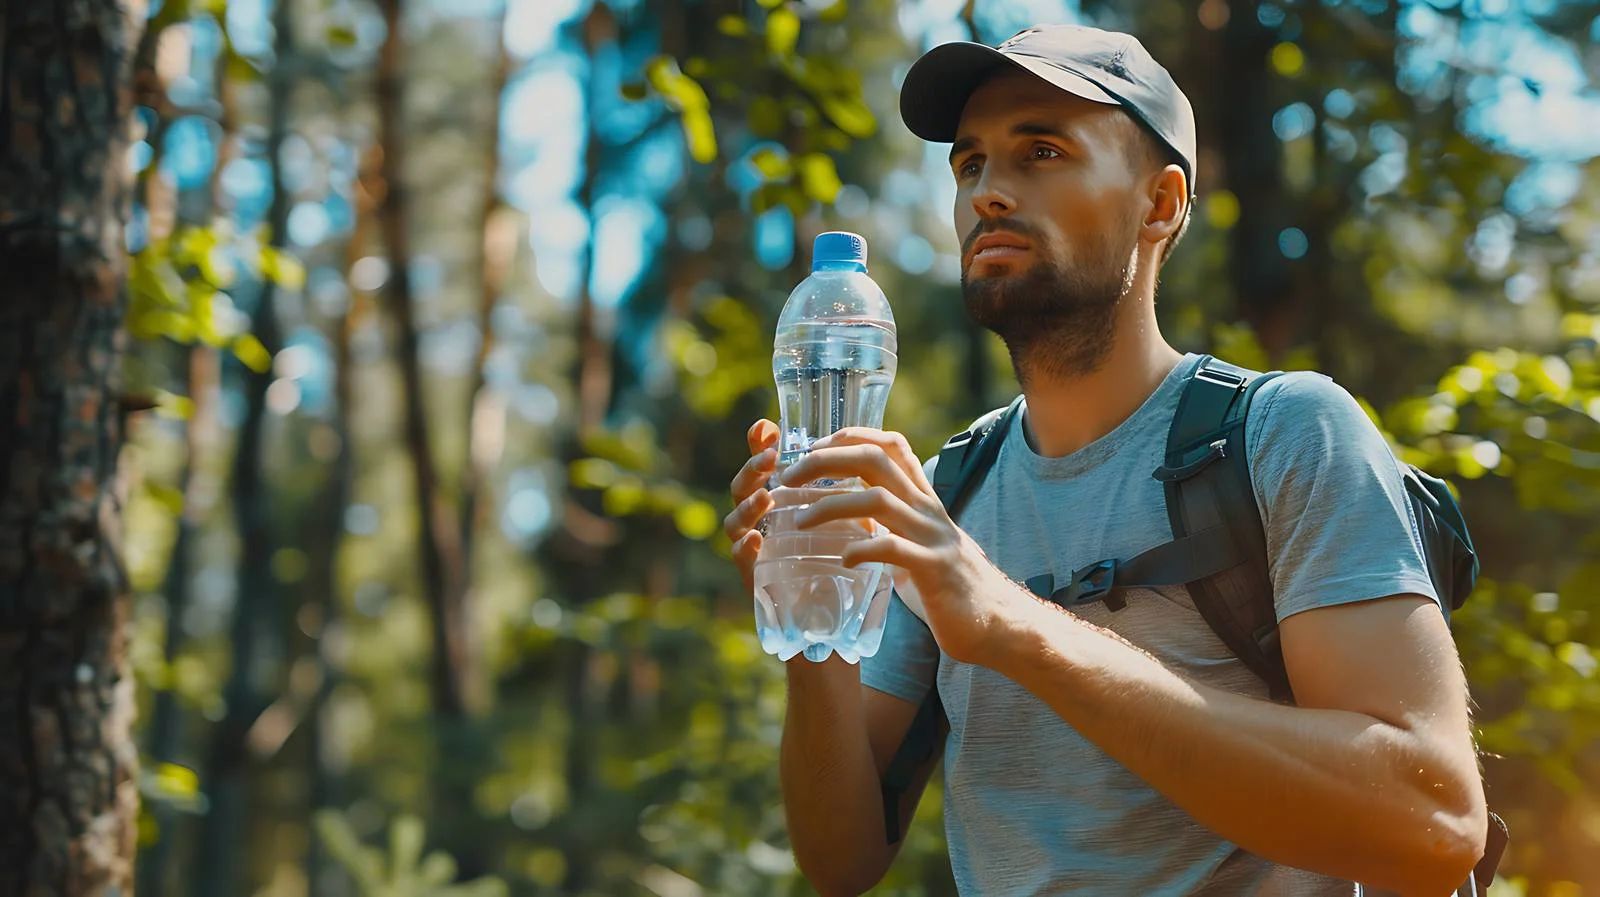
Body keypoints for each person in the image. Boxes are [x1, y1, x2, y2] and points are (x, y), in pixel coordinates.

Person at [722, 23, 1487, 897]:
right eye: (970, 164)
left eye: (1041, 152)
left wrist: (1007, 623)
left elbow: (1434, 822)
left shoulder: (1285, 433)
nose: (988, 193)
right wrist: (809, 610)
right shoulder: (948, 493)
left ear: (1160, 204)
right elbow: (841, 856)